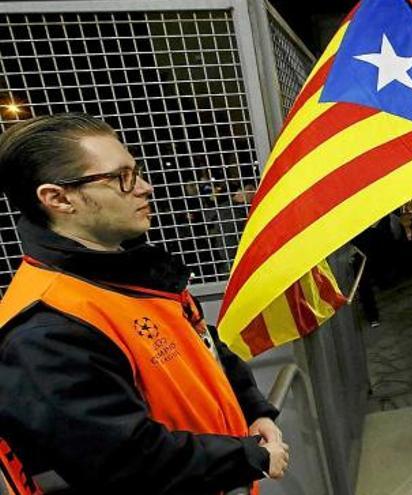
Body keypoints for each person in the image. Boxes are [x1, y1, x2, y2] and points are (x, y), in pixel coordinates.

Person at [0, 114, 290, 494]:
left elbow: (204, 345)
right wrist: (249, 457)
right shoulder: (46, 328)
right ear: (57, 198)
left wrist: (255, 411)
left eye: (137, 171)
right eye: (121, 178)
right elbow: (126, 460)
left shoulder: (131, 273)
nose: (145, 187)